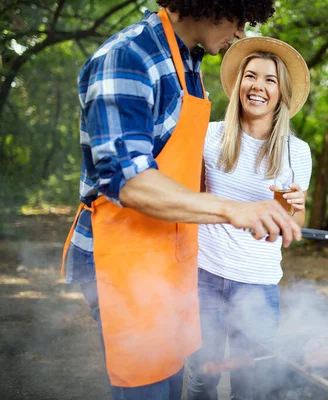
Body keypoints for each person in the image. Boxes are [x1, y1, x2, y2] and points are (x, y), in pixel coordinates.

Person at [60, 2, 302, 399]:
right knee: (146, 389)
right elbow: (130, 182)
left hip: (170, 263)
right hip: (125, 260)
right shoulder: (128, 57)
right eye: (239, 19)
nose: (241, 33)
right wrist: (231, 209)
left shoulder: (189, 66)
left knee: (173, 387)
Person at [186, 37, 311, 399]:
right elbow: (189, 201)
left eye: (270, 79)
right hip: (203, 275)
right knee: (201, 379)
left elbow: (293, 230)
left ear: (282, 91)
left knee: (252, 387)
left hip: (257, 285)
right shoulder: (209, 136)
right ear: (239, 82)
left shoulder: (296, 152)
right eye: (251, 76)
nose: (258, 86)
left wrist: (295, 210)